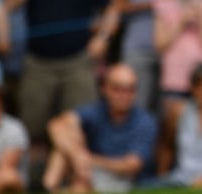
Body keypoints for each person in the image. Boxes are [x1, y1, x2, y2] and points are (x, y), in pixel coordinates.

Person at [3, 0, 117, 154]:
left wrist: (103, 37)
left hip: (77, 62)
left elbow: (112, 9)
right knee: (32, 125)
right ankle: (34, 180)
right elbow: (11, 4)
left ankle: (76, 181)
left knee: (83, 122)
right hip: (38, 63)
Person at [43, 64, 158, 193]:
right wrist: (77, 154)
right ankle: (50, 188)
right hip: (89, 171)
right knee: (66, 142)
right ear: (105, 89)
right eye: (118, 89)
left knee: (81, 181)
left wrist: (89, 160)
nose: (124, 95)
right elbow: (55, 124)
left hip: (125, 181)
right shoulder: (97, 110)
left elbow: (132, 165)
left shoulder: (144, 121)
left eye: (130, 89)